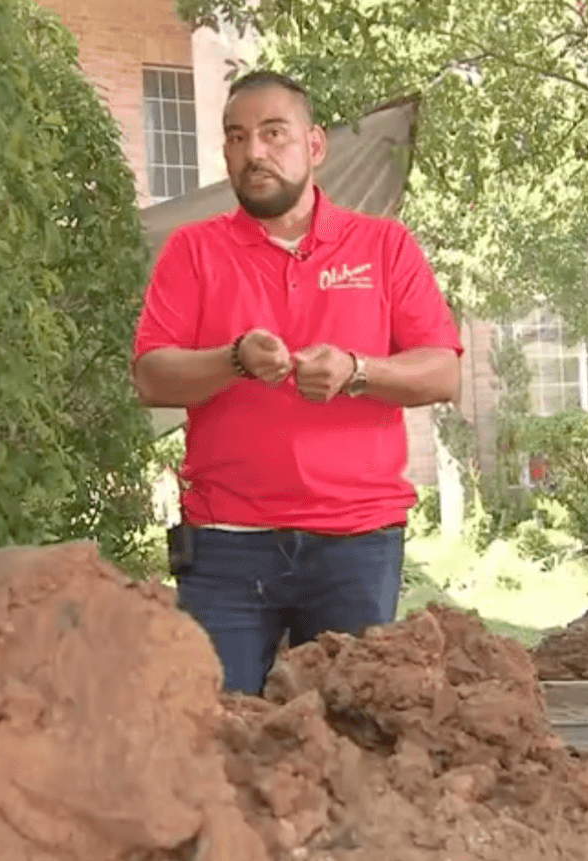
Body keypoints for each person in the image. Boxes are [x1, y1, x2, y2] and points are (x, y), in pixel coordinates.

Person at [132, 70, 462, 695]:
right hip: (226, 545)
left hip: (356, 544)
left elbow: (443, 370)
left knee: (350, 740)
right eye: (236, 137)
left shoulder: (385, 246)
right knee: (216, 733)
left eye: (273, 133)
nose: (253, 152)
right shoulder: (191, 251)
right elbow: (151, 378)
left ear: (314, 146)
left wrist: (358, 371)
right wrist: (233, 359)